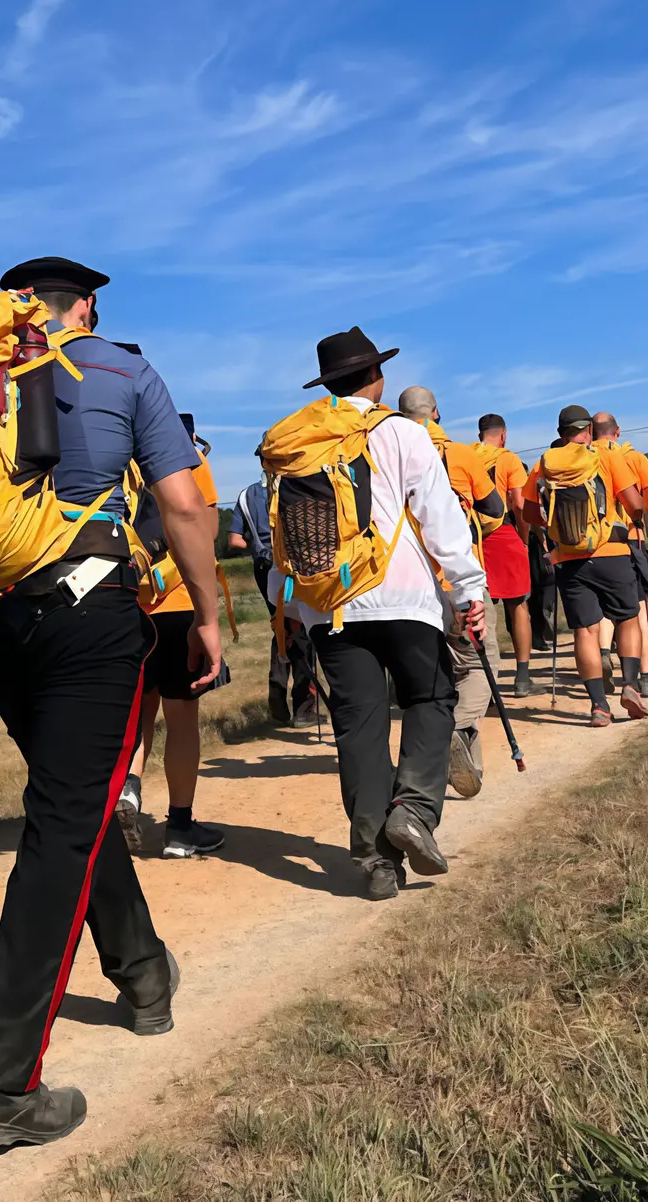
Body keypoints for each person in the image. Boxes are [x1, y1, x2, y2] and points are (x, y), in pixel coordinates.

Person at [0, 257, 222, 1146]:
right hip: (93, 616)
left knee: (67, 803)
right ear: (86, 306)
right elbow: (184, 503)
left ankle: (143, 972)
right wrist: (211, 614)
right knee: (61, 828)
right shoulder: (117, 366)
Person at [293, 330, 486, 901]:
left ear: (328, 384)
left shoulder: (298, 440)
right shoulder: (401, 431)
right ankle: (416, 811)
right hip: (403, 595)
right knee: (431, 699)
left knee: (360, 730)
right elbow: (438, 515)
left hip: (328, 605)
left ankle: (376, 862)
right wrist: (467, 590)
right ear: (377, 379)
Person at [523, 406, 648, 727]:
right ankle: (631, 685)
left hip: (569, 559)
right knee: (628, 618)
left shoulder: (544, 464)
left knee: (586, 631)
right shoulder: (606, 456)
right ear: (588, 430)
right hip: (613, 550)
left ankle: (598, 707)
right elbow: (635, 504)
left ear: (561, 431)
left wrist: (555, 533)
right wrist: (632, 525)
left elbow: (529, 513)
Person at [120, 420, 228, 859]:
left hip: (123, 605)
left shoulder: (101, 455)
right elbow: (208, 529)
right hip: (178, 604)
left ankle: (127, 790)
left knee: (134, 714)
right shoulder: (183, 453)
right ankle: (180, 829)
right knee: (182, 721)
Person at [397, 385, 503, 800]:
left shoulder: (389, 451)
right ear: (436, 413)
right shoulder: (461, 454)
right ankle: (455, 730)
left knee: (441, 673)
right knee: (479, 665)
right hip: (459, 582)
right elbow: (494, 509)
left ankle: (468, 764)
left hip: (412, 585)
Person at [227, 470, 320, 727]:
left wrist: (258, 548)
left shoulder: (246, 495)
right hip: (293, 565)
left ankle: (277, 704)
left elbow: (234, 540)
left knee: (280, 629)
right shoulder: (298, 486)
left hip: (264, 567)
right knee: (303, 632)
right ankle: (304, 708)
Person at [590, 412, 648, 700]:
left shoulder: (582, 457)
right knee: (636, 610)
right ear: (618, 431)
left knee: (603, 610)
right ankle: (646, 677)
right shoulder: (633, 458)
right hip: (628, 540)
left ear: (590, 431)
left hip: (590, 544)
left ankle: (602, 653)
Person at [474, 413, 542, 697]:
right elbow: (518, 502)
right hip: (503, 533)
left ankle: (483, 685)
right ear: (503, 434)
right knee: (519, 606)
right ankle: (522, 678)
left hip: (474, 538)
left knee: (480, 611)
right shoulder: (508, 458)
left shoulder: (464, 455)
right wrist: (524, 539)